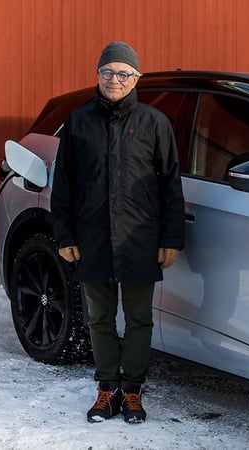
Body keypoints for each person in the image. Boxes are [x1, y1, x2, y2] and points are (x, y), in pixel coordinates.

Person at [50, 41, 185, 424]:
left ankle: (133, 392)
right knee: (100, 319)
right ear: (98, 75)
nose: (115, 79)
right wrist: (64, 235)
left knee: (140, 318)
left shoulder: (154, 123)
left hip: (140, 238)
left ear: (135, 78)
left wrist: (171, 238)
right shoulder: (78, 122)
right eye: (108, 72)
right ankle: (107, 388)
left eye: (123, 73)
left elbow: (170, 184)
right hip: (91, 238)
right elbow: (64, 185)